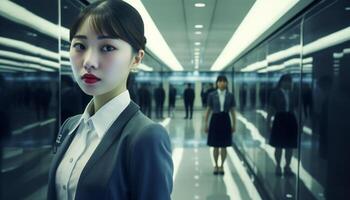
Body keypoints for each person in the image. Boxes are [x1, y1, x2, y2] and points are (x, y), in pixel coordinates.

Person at [47, 1, 173, 200]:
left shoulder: (146, 137)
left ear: (136, 59)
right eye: (80, 45)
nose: (88, 62)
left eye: (107, 47)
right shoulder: (70, 126)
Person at [204, 75, 236, 175]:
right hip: (215, 120)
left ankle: (222, 165)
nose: (222, 83)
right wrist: (205, 123)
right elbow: (208, 110)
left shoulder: (230, 95)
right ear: (217, 83)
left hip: (225, 120)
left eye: (224, 81)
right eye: (220, 81)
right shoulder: (212, 95)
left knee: (224, 145)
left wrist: (234, 124)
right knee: (215, 145)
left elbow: (232, 111)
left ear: (227, 83)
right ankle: (216, 165)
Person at [267, 74, 298, 176]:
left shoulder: (294, 94)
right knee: (278, 145)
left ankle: (287, 166)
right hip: (279, 119)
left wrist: (300, 124)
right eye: (285, 81)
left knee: (289, 146)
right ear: (281, 82)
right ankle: (278, 166)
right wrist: (268, 122)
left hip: (290, 119)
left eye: (289, 81)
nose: (287, 83)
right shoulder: (275, 94)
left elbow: (298, 109)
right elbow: (271, 109)